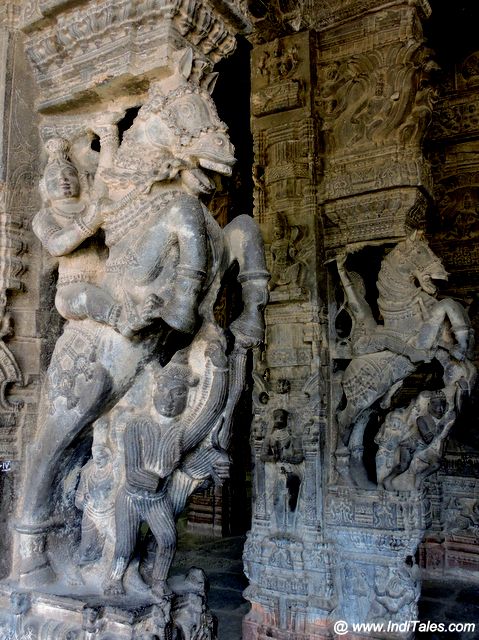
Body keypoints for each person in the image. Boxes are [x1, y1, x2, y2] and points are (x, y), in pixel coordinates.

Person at [104, 356, 199, 598]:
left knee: (168, 540)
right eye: (164, 391)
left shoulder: (179, 431)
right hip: (131, 497)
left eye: (178, 394)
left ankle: (158, 581)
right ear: (154, 390)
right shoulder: (137, 426)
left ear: (187, 398)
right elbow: (134, 472)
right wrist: (157, 481)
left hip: (156, 501)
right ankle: (114, 578)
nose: (169, 399)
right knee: (125, 546)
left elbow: (208, 417)